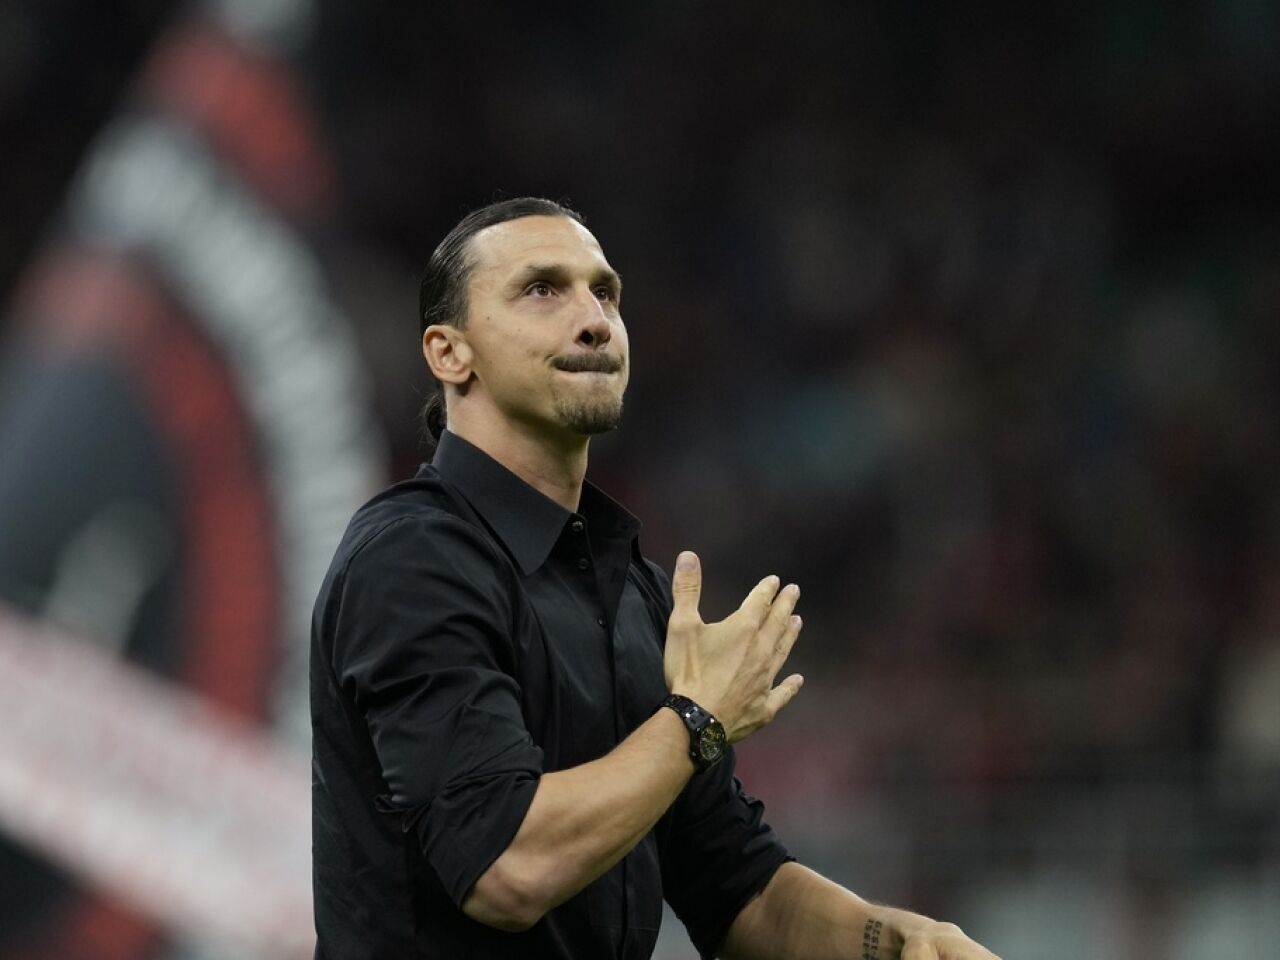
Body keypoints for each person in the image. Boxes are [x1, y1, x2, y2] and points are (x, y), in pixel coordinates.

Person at [310, 196, 1001, 960]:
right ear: (449, 353)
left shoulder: (632, 595)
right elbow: (506, 865)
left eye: (605, 293)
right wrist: (697, 720)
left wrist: (897, 942)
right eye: (542, 289)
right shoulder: (411, 561)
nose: (595, 319)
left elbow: (741, 890)